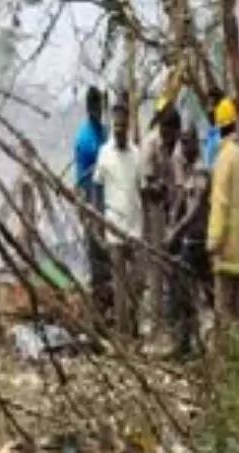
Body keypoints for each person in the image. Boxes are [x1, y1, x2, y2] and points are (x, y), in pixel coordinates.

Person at [94, 99, 145, 338]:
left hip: (135, 228)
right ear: (112, 125)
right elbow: (96, 186)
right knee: (119, 287)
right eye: (116, 126)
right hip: (113, 227)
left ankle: (134, 325)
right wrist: (97, 219)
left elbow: (142, 188)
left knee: (137, 282)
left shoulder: (137, 154)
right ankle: (124, 334)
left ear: (129, 125)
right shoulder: (104, 153)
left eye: (123, 126)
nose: (120, 130)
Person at [207, 97, 239, 335]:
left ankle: (224, 364)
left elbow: (220, 204)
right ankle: (238, 363)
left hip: (224, 252)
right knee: (237, 314)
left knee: (224, 314)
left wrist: (212, 242)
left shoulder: (224, 159)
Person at [167, 123, 212, 358]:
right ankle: (186, 344)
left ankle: (214, 345)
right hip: (190, 242)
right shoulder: (187, 169)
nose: (184, 147)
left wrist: (175, 230)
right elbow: (180, 200)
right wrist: (172, 223)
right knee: (183, 293)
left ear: (196, 142)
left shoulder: (202, 170)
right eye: (182, 142)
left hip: (202, 243)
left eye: (188, 142)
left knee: (209, 295)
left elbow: (194, 209)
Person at [142, 103, 183, 335]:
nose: (172, 141)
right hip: (154, 211)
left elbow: (177, 181)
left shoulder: (174, 145)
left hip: (171, 211)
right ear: (164, 129)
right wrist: (163, 191)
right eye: (170, 135)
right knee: (156, 266)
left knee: (172, 266)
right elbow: (147, 185)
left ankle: (171, 318)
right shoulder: (151, 144)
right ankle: (156, 322)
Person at [74, 87, 110, 311]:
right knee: (96, 254)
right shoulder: (85, 139)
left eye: (99, 107)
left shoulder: (106, 133)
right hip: (91, 200)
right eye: (93, 107)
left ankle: (109, 303)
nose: (96, 111)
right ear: (88, 109)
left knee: (109, 256)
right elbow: (81, 179)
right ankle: (99, 307)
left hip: (108, 202)